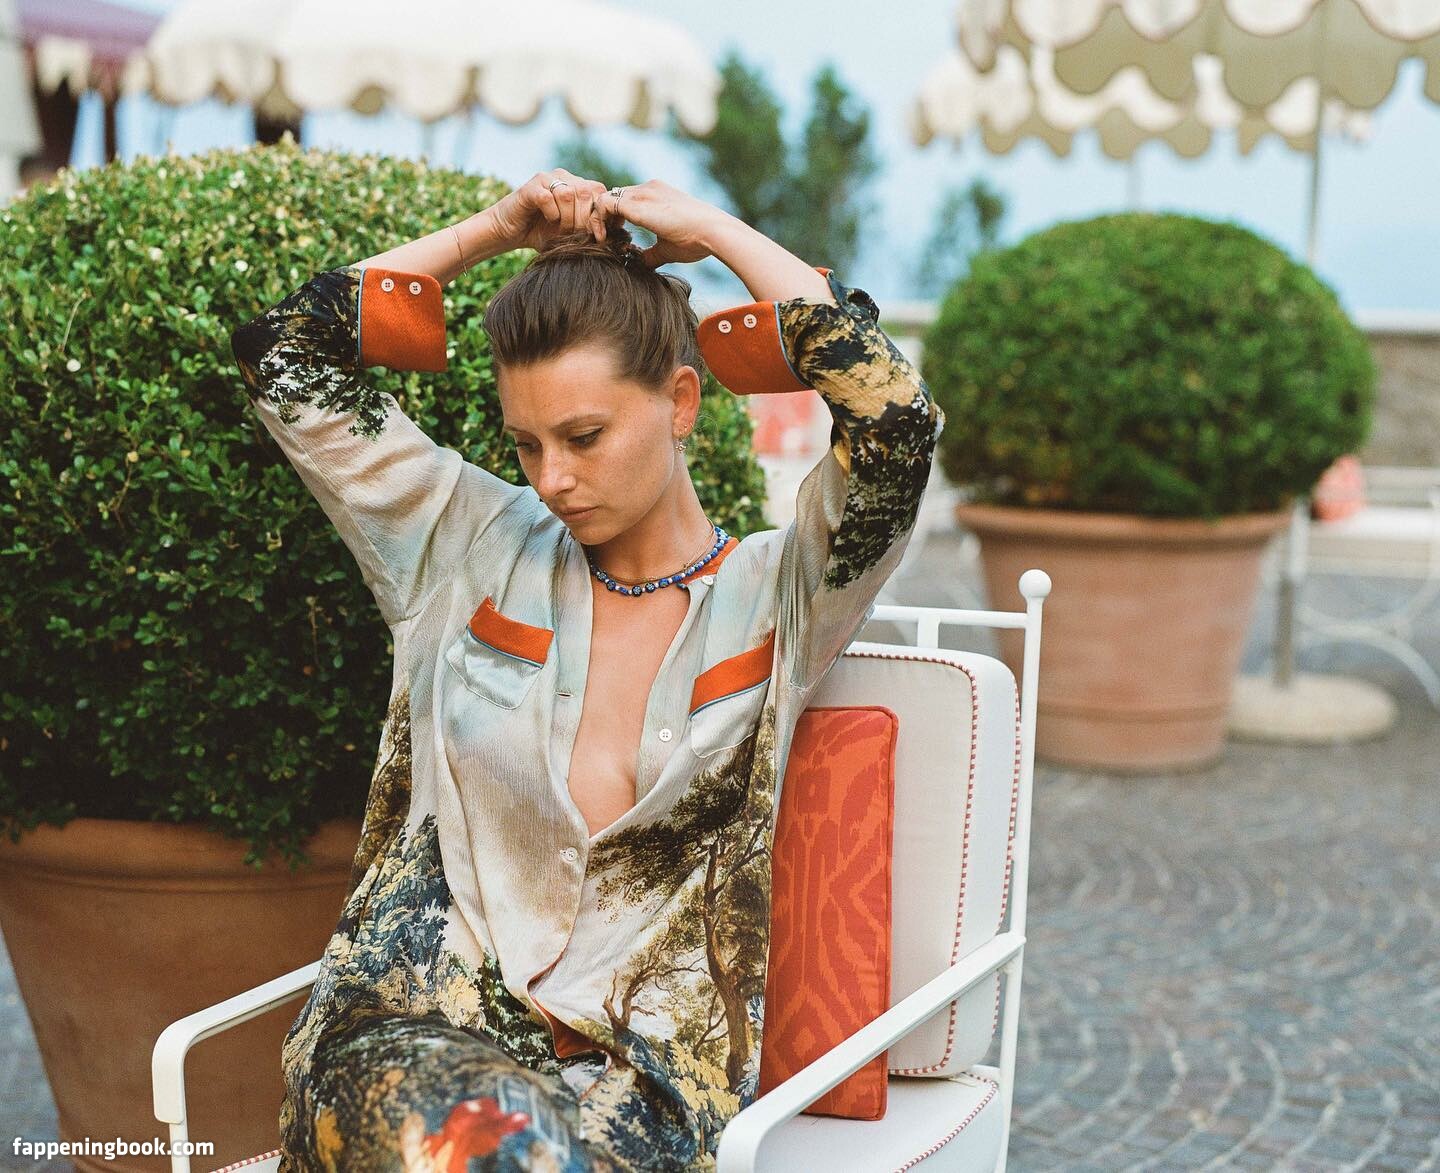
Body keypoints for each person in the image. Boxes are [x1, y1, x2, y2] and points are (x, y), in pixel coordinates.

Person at [230, 168, 945, 1172]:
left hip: (642, 1087)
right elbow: (284, 353)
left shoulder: (781, 596)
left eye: (584, 436)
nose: (553, 479)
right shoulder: (461, 544)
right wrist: (495, 229)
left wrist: (714, 228)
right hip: (417, 1039)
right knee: (497, 1149)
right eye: (527, 444)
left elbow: (895, 423)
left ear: (681, 401)